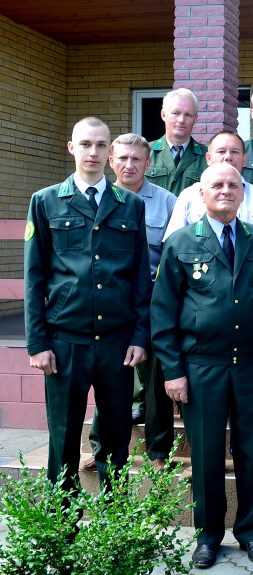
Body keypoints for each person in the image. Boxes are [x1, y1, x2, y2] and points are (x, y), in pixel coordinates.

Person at [151, 163, 253, 569]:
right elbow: (163, 313)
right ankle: (208, 534)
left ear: (243, 193)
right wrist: (172, 370)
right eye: (217, 185)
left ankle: (251, 532)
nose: (225, 190)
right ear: (201, 194)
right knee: (205, 455)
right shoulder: (182, 243)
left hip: (252, 366)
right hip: (201, 366)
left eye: (233, 185)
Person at [24, 117, 151, 492]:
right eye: (85, 144)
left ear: (109, 152)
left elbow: (140, 277)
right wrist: (38, 343)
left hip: (116, 342)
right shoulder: (45, 201)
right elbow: (34, 278)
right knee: (62, 438)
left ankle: (114, 527)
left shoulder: (130, 205)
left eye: (100, 145)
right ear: (72, 148)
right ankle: (62, 527)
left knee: (115, 437)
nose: (92, 152)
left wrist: (140, 336)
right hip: (66, 341)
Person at [82, 133, 177, 473]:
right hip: (108, 304)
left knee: (155, 379)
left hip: (152, 302)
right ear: (111, 160)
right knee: (107, 374)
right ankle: (99, 446)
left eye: (137, 159)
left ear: (148, 163)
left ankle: (158, 451)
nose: (129, 165)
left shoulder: (167, 202)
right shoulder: (94, 200)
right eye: (122, 158)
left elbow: (171, 256)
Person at [163, 130, 253, 239]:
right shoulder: (188, 196)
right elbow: (173, 242)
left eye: (235, 152)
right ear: (208, 158)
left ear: (244, 159)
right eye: (221, 151)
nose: (228, 157)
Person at [145, 88, 208, 196]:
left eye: (188, 115)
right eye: (176, 113)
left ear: (195, 119)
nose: (181, 120)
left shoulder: (208, 155)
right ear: (163, 115)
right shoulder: (145, 151)